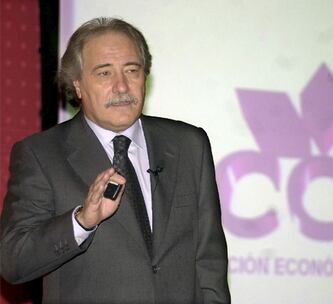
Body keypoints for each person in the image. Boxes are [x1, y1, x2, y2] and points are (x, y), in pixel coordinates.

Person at [0, 17, 230, 304]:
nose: (122, 86)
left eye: (132, 70)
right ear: (78, 85)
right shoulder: (41, 154)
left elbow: (209, 261)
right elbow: (14, 261)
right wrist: (82, 221)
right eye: (104, 73)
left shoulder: (188, 144)